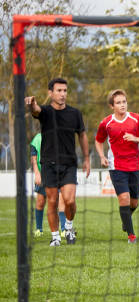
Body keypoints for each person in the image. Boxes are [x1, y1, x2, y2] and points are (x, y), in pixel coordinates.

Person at [25, 78, 90, 247]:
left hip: (69, 163)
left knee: (69, 200)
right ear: (50, 93)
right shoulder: (45, 111)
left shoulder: (75, 113)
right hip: (48, 164)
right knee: (52, 201)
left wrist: (87, 159)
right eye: (59, 91)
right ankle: (55, 237)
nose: (62, 94)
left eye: (65, 91)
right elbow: (36, 110)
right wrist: (31, 104)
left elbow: (82, 135)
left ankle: (68, 227)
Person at [95, 89, 139, 244]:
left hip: (135, 165)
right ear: (112, 106)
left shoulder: (137, 119)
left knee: (134, 203)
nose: (122, 105)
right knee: (124, 199)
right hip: (116, 166)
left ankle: (126, 220)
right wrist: (101, 156)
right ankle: (131, 236)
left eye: (124, 102)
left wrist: (135, 138)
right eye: (118, 102)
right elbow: (98, 140)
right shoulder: (106, 123)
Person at [30, 132, 66, 237]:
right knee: (40, 202)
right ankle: (38, 229)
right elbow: (33, 156)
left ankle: (63, 230)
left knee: (61, 201)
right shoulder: (37, 138)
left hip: (58, 173)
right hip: (42, 173)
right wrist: (37, 173)